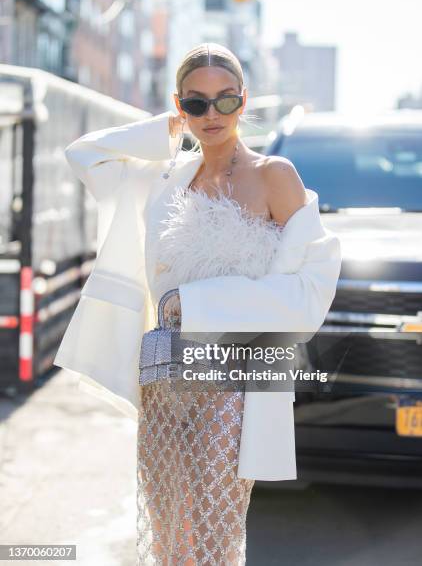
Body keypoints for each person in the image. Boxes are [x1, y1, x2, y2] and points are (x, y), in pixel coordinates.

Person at [54, 42, 342, 565]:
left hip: (237, 378)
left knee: (213, 542)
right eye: (197, 104)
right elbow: (84, 153)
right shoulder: (165, 179)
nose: (213, 115)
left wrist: (200, 301)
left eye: (226, 101)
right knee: (168, 540)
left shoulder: (274, 174)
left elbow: (312, 292)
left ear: (244, 101)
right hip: (165, 380)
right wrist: (163, 130)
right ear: (179, 106)